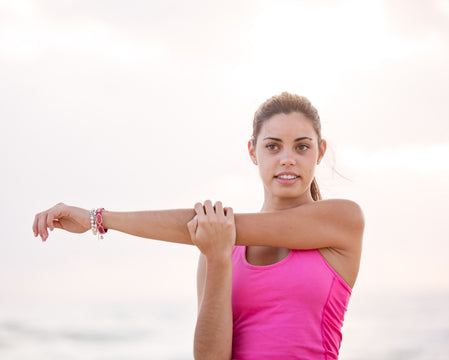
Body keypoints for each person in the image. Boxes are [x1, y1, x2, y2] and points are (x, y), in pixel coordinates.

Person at [32, 92, 364, 360]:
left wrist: (98, 218)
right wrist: (218, 258)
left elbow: (198, 225)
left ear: (320, 152)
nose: (287, 158)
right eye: (273, 146)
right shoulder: (217, 242)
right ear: (253, 152)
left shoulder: (342, 221)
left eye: (302, 146)